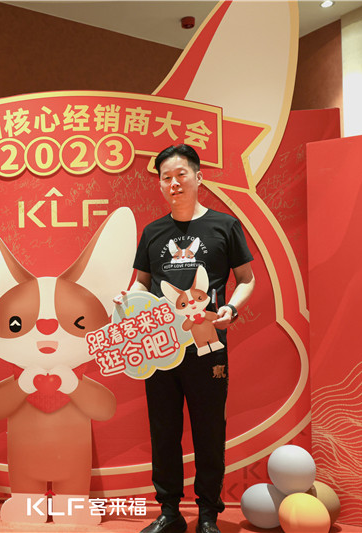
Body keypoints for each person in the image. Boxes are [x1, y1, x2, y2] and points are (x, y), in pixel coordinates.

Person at [124, 144, 255, 533]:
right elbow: (141, 283)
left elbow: (247, 279)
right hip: (161, 347)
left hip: (207, 345)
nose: (174, 183)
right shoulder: (153, 232)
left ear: (198, 177)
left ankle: (209, 514)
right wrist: (126, 301)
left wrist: (231, 308)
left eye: (181, 174)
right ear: (160, 184)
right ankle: (169, 512)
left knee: (209, 430)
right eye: (166, 177)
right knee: (163, 430)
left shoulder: (224, 226)